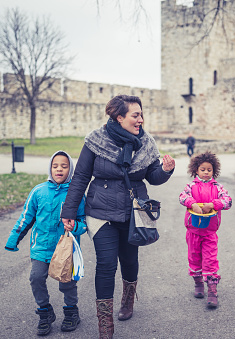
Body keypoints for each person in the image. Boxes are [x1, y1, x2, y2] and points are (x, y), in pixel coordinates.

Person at [60, 95, 175, 339]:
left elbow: (152, 175)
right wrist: (69, 211)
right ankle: (105, 324)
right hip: (101, 213)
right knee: (106, 264)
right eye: (135, 115)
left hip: (134, 213)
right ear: (119, 117)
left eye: (141, 115)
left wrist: (165, 170)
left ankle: (128, 300)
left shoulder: (146, 143)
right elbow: (81, 176)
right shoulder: (96, 140)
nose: (140, 120)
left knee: (130, 261)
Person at [5, 150, 87, 336]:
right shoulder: (38, 191)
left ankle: (72, 312)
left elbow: (84, 223)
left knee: (67, 283)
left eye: (64, 166)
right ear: (50, 168)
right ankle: (45, 312)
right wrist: (13, 239)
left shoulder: (76, 194)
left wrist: (75, 226)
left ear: (70, 169)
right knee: (36, 278)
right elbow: (26, 217)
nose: (59, 169)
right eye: (55, 166)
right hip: (41, 247)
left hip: (66, 249)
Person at [179, 151, 232, 308]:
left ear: (214, 171)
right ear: (196, 170)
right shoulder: (190, 186)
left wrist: (214, 204)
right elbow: (182, 197)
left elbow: (228, 201)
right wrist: (192, 203)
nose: (206, 172)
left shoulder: (218, 187)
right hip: (193, 232)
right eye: (203, 169)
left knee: (210, 261)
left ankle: (212, 291)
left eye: (209, 170)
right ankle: (198, 284)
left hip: (209, 233)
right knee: (194, 259)